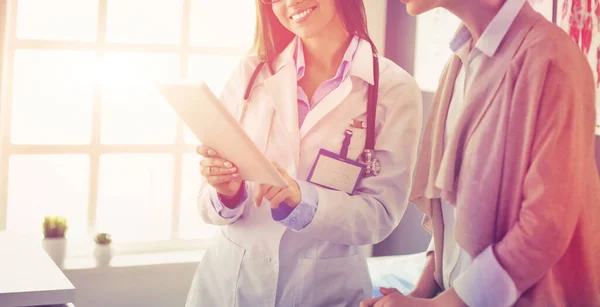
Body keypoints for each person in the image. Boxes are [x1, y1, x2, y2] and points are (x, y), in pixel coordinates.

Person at [361, 0, 600, 306]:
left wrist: (444, 305)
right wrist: (423, 291)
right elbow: (454, 207)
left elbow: (546, 226)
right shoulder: (459, 63)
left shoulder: (551, 58)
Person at [184, 0, 423, 306]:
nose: (289, 3)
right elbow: (206, 205)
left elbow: (379, 217)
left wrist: (301, 200)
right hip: (229, 285)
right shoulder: (249, 72)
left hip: (324, 290)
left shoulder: (395, 89)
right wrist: (226, 192)